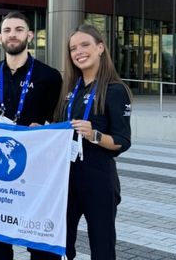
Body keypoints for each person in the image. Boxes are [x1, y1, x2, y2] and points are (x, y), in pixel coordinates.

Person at [0, 11, 62, 260]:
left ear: (30, 35)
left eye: (18, 29)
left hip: (37, 169)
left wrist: (45, 128)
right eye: (7, 30)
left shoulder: (49, 76)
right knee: (0, 239)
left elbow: (59, 121)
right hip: (0, 168)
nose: (12, 35)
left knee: (39, 242)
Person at [52, 24, 132, 260]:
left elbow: (122, 141)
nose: (79, 51)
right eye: (73, 48)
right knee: (62, 247)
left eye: (85, 45)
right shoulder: (69, 89)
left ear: (100, 47)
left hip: (99, 182)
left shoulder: (115, 90)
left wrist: (94, 135)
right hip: (66, 182)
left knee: (102, 248)